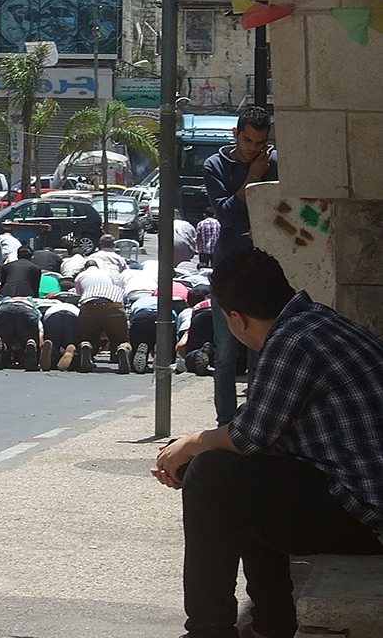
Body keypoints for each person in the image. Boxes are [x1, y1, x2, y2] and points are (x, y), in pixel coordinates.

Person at [153, 248, 383, 638]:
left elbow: (248, 437)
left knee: (213, 474)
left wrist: (190, 444)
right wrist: (194, 447)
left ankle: (210, 630)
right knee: (236, 474)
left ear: (236, 319)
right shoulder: (319, 322)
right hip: (361, 494)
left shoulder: (292, 342)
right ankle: (273, 620)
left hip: (366, 513)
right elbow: (261, 438)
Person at [203, 105, 279, 425]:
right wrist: (253, 177)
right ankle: (226, 422)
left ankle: (256, 421)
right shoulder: (216, 165)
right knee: (225, 354)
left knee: (261, 353)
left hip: (263, 268)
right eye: (248, 141)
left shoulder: (273, 163)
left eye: (260, 143)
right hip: (228, 268)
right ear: (236, 135)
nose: (254, 149)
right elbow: (226, 215)